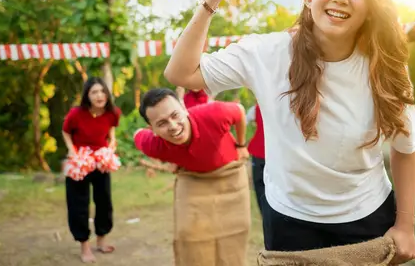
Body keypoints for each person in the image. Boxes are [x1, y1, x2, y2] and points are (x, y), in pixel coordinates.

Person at [163, 0, 415, 264]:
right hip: (289, 221)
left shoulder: (388, 68)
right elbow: (181, 73)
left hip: (366, 217)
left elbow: (406, 147)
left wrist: (405, 225)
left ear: (371, 7)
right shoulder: (267, 52)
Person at [133, 88, 250, 266]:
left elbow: (240, 111)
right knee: (189, 236)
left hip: (230, 177)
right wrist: (168, 158)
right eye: (162, 123)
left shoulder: (213, 114)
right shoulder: (153, 144)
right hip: (194, 181)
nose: (172, 126)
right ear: (153, 129)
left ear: (184, 108)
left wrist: (241, 144)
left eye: (175, 115)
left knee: (234, 235)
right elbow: (137, 136)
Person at [62, 77, 120, 263]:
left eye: (102, 91)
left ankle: (101, 240)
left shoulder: (112, 113)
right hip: (80, 163)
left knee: (104, 200)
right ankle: (85, 247)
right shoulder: (76, 114)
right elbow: (66, 131)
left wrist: (111, 145)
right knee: (79, 204)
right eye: (94, 92)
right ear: (87, 96)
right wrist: (72, 151)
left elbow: (111, 131)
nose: (99, 95)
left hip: (101, 161)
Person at [247, 104, 266, 215]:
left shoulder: (255, 108)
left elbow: (243, 120)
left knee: (259, 187)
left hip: (259, 153)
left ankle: (263, 213)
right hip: (270, 153)